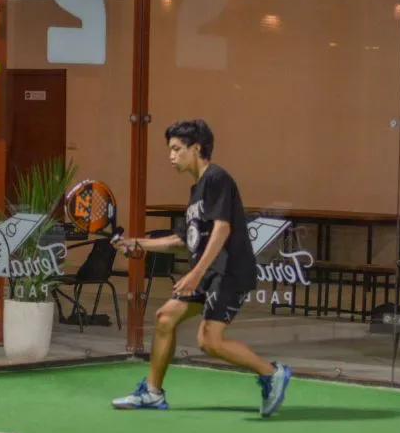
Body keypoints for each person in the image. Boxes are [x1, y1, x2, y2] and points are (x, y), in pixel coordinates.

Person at [111, 119, 291, 417]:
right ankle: (152, 393)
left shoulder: (217, 178)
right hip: (209, 273)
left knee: (209, 341)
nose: (171, 156)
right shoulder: (197, 190)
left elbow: (222, 229)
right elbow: (183, 240)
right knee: (165, 317)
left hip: (228, 272)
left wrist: (194, 275)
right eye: (169, 149)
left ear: (196, 148)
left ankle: (272, 373)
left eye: (176, 149)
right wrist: (137, 243)